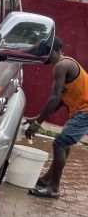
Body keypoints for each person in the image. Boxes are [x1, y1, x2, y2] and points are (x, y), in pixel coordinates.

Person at [25, 36, 88, 198]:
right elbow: (60, 99)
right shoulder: (66, 64)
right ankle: (48, 180)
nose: (42, 56)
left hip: (85, 111)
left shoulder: (62, 65)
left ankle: (54, 188)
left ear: (51, 51)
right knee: (64, 143)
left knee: (60, 143)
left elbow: (54, 98)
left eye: (43, 52)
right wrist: (38, 117)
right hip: (81, 110)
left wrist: (38, 123)